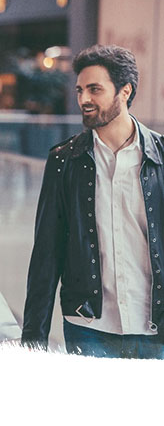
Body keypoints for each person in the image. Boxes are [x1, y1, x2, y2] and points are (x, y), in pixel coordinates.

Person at [22, 44, 164, 359]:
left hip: (156, 330)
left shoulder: (160, 157)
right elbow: (47, 253)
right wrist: (33, 342)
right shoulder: (64, 161)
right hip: (88, 330)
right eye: (80, 90)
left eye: (95, 89)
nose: (84, 99)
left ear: (125, 91)